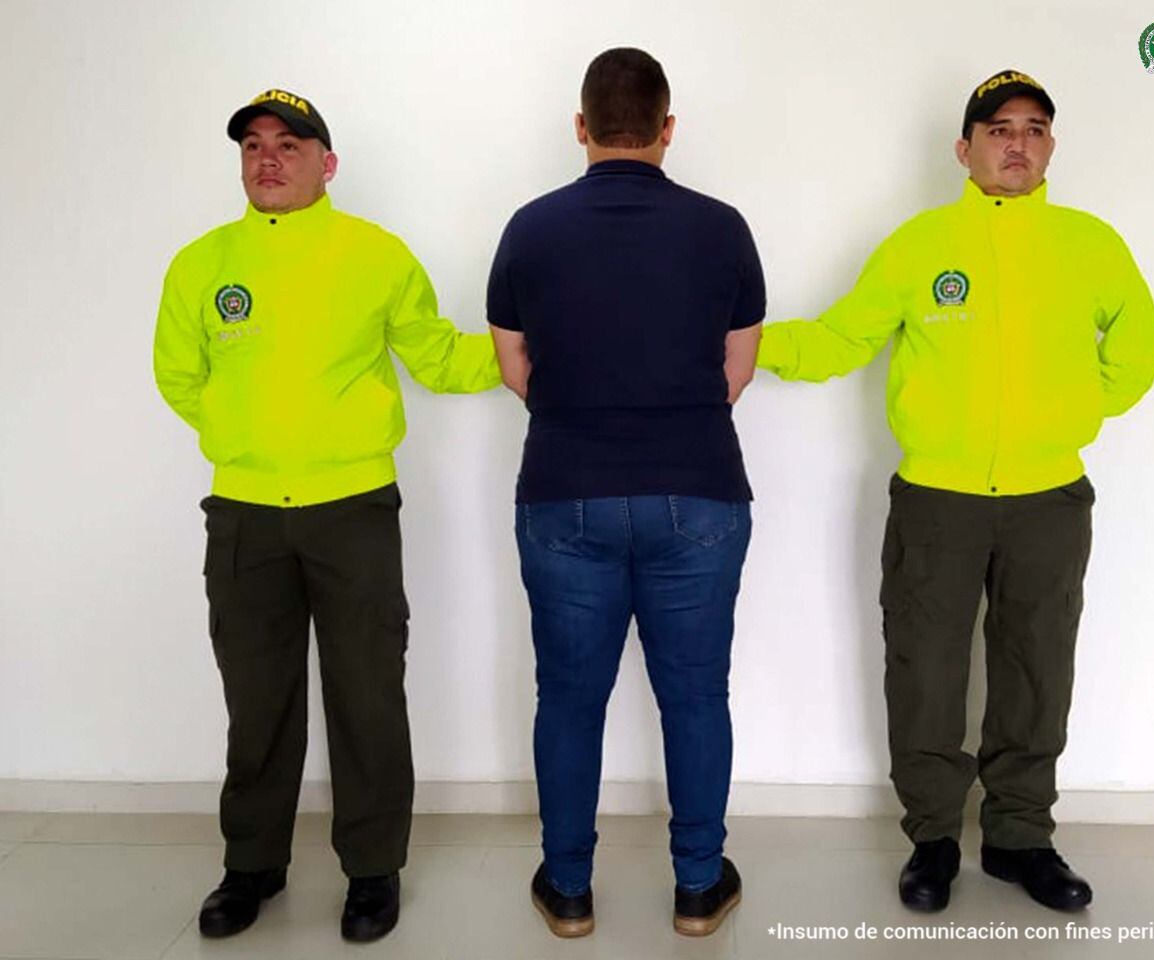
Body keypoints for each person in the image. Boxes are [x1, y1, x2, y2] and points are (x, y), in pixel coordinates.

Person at [757, 69, 1154, 913]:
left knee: (1036, 667)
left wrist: (1067, 413)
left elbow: (1142, 351)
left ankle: (1021, 839)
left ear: (1050, 145)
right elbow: (842, 338)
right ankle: (934, 841)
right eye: (999, 129)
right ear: (965, 147)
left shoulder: (1091, 244)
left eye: (1034, 128)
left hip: (1049, 498)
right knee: (926, 673)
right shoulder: (919, 244)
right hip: (936, 500)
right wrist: (745, 343)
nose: (1017, 143)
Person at [153, 88, 500, 942]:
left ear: (326, 163)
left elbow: (440, 357)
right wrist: (249, 438)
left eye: (290, 145)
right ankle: (252, 865)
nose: (268, 158)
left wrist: (534, 346)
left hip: (353, 511)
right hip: (243, 515)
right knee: (257, 699)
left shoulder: (376, 256)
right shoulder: (202, 264)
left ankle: (373, 870)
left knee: (368, 695)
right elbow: (178, 377)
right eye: (254, 146)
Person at [487, 48, 764, 938]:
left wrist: (582, 412)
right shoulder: (723, 228)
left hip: (565, 490)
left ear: (581, 127)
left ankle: (568, 888)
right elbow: (737, 367)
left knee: (568, 696)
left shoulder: (529, 228)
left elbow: (513, 365)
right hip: (700, 494)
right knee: (695, 694)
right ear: (667, 128)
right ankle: (695, 887)